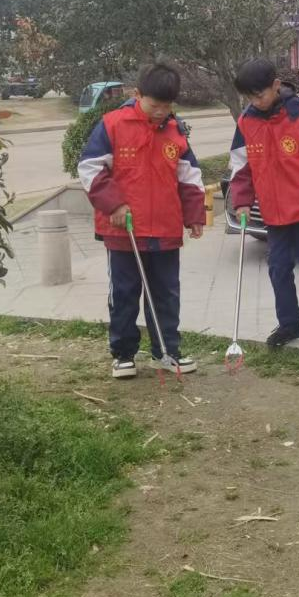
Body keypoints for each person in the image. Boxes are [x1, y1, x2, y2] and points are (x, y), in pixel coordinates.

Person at [78, 63, 206, 379]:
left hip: (165, 228)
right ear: (137, 95)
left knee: (166, 293)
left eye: (167, 106)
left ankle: (167, 350)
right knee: (124, 293)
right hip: (124, 229)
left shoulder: (176, 131)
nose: (161, 112)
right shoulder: (112, 125)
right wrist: (114, 204)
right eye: (154, 105)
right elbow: (90, 168)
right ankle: (123, 354)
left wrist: (194, 215)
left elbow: (190, 176)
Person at [228, 59, 299, 349]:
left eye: (260, 95)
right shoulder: (246, 122)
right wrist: (241, 201)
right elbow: (241, 166)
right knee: (278, 269)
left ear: (276, 86)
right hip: (274, 215)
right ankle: (290, 323)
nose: (255, 102)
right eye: (249, 97)